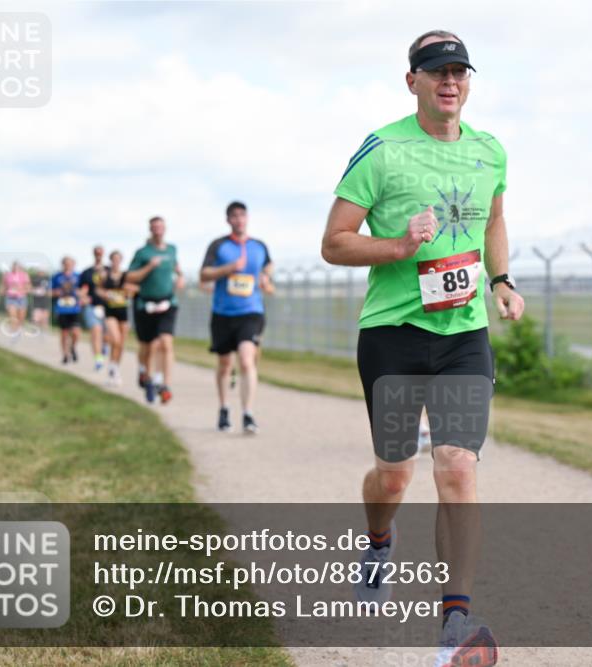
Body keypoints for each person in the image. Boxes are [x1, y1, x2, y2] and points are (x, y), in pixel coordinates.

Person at [321, 29, 523, 667]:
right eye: (436, 71)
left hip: (463, 335)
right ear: (412, 81)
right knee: (394, 472)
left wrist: (500, 280)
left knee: (458, 468)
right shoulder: (382, 150)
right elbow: (334, 241)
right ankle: (378, 540)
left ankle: (453, 624)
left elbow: (492, 218)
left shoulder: (490, 150)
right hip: (393, 333)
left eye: (459, 71)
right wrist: (400, 247)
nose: (450, 81)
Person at [199, 201, 275, 433]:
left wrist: (264, 275)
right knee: (224, 364)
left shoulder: (258, 245)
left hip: (251, 311)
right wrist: (228, 268)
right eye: (234, 216)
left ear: (247, 218)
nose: (239, 219)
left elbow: (269, 264)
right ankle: (223, 408)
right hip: (223, 312)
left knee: (246, 360)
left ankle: (248, 414)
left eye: (242, 215)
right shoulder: (218, 245)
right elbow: (204, 273)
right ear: (228, 220)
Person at [126, 216, 184, 404]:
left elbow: (177, 268)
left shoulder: (172, 249)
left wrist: (181, 277)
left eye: (161, 226)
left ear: (165, 228)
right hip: (145, 304)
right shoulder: (143, 253)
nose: (158, 230)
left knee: (166, 343)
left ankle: (165, 385)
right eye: (154, 227)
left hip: (167, 303)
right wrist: (149, 267)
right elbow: (131, 277)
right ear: (150, 229)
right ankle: (146, 374)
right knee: (148, 346)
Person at [95, 250, 134, 387]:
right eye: (114, 259)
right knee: (115, 339)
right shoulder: (105, 275)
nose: (116, 261)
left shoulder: (126, 275)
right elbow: (98, 289)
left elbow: (132, 290)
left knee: (121, 343)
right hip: (110, 310)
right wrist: (105, 294)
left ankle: (114, 368)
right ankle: (112, 368)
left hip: (123, 310)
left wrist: (129, 292)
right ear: (111, 260)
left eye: (118, 259)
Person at [79, 245, 108, 371]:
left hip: (107, 307)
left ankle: (104, 346)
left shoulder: (109, 270)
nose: (98, 254)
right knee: (95, 331)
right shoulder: (87, 272)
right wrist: (83, 297)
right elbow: (82, 289)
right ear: (93, 254)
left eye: (100, 252)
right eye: (96, 252)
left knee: (107, 335)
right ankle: (98, 359)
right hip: (91, 306)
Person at [50, 257, 82, 364]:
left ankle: (72, 347)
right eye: (66, 264)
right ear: (62, 264)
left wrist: (80, 293)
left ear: (74, 264)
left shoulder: (78, 276)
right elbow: (50, 292)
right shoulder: (56, 277)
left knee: (76, 332)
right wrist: (56, 292)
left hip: (74, 308)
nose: (68, 265)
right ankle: (65, 355)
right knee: (64, 333)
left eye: (70, 264)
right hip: (62, 308)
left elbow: (84, 290)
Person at [1, 261, 31, 339]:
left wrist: (21, 289)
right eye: (14, 267)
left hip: (21, 298)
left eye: (17, 267)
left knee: (21, 318)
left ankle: (18, 331)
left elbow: (28, 288)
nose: (15, 268)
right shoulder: (7, 275)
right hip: (11, 298)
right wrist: (2, 290)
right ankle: (14, 334)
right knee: (13, 317)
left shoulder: (24, 275)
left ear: (20, 268)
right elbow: (3, 285)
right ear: (12, 267)